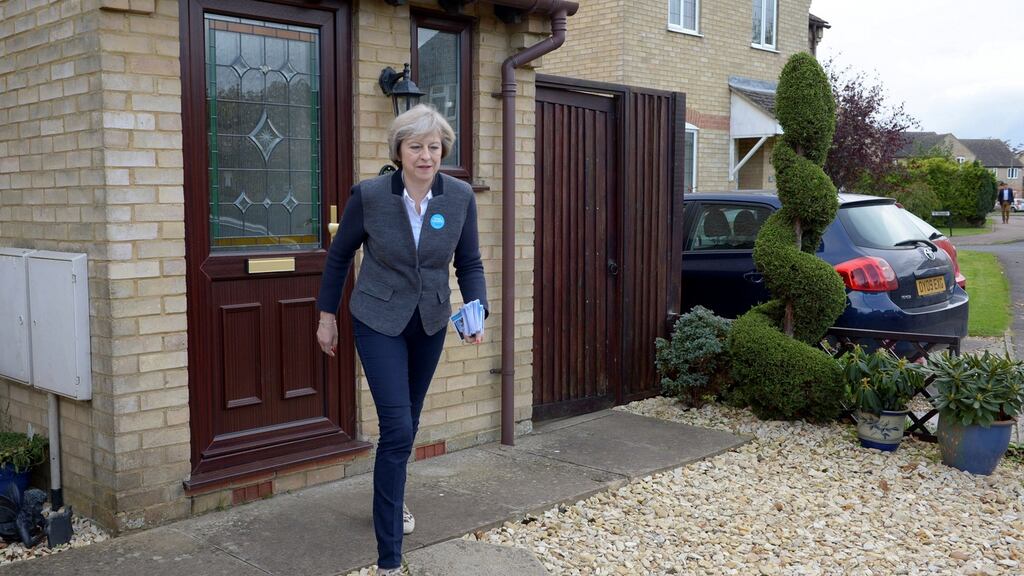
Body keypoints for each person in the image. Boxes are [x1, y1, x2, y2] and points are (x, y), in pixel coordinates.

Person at [316, 104, 487, 576]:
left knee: (406, 428)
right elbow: (339, 256)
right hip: (377, 319)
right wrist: (326, 317)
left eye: (434, 147)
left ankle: (392, 497)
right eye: (416, 147)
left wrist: (477, 309)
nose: (426, 156)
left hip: (429, 321)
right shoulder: (370, 195)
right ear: (399, 151)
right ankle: (389, 558)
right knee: (396, 429)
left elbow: (469, 262)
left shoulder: (459, 197)